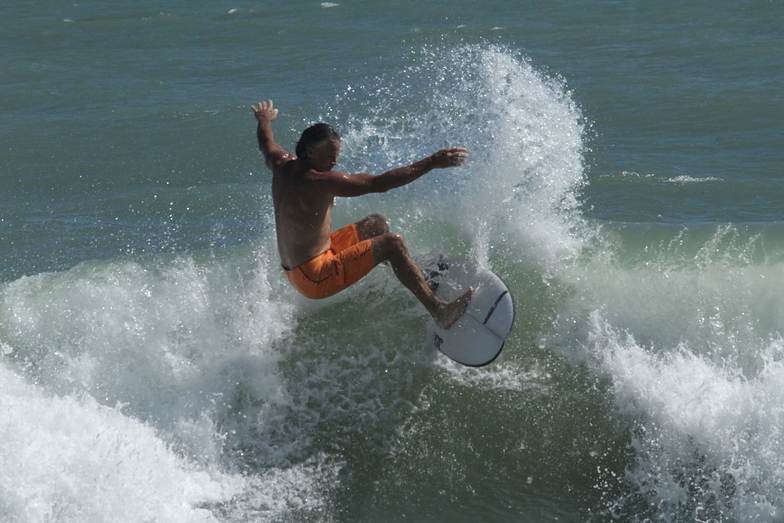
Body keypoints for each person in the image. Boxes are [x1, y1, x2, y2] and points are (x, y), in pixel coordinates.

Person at [252, 100, 473, 329]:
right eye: (329, 156)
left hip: (303, 266)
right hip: (314, 277)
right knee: (392, 243)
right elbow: (378, 184)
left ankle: (418, 279)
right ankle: (440, 312)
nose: (334, 162)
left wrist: (263, 119)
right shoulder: (319, 181)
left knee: (375, 224)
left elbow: (266, 142)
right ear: (310, 151)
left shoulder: (280, 163)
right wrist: (431, 162)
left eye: (336, 156)